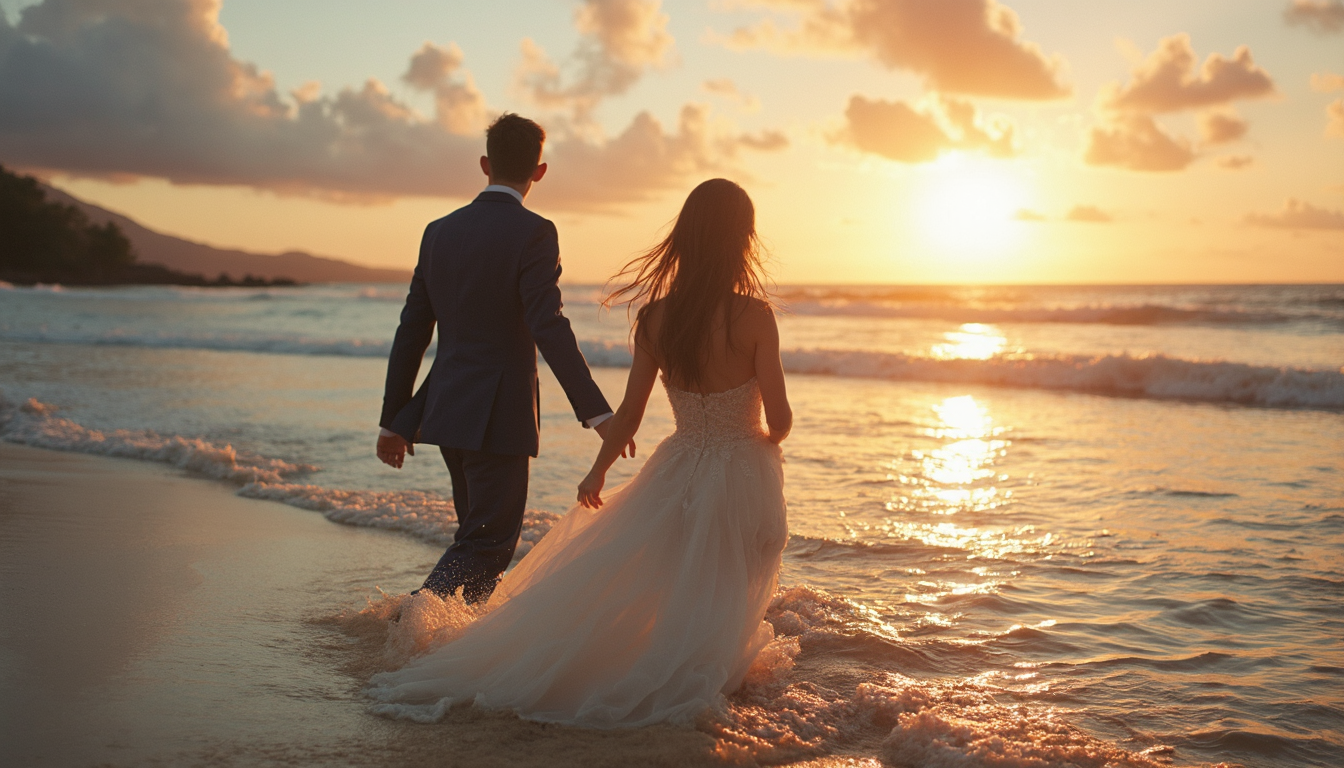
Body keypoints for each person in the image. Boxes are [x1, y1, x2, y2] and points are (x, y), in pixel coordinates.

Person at [369, 178, 792, 728]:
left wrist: (597, 473)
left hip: (679, 464)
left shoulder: (658, 318)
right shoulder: (756, 316)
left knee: (677, 567)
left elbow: (630, 413)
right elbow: (780, 421)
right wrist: (761, 438)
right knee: (729, 570)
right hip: (742, 465)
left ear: (684, 239)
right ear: (743, 239)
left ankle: (678, 663)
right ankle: (710, 670)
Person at [376, 113, 632, 604]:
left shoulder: (438, 231)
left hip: (446, 413)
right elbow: (548, 325)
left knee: (474, 537)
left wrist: (395, 419)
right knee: (488, 544)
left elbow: (413, 329)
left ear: (485, 164)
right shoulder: (534, 232)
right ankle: (410, 627)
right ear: (539, 171)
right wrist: (599, 414)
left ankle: (444, 641)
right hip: (499, 418)